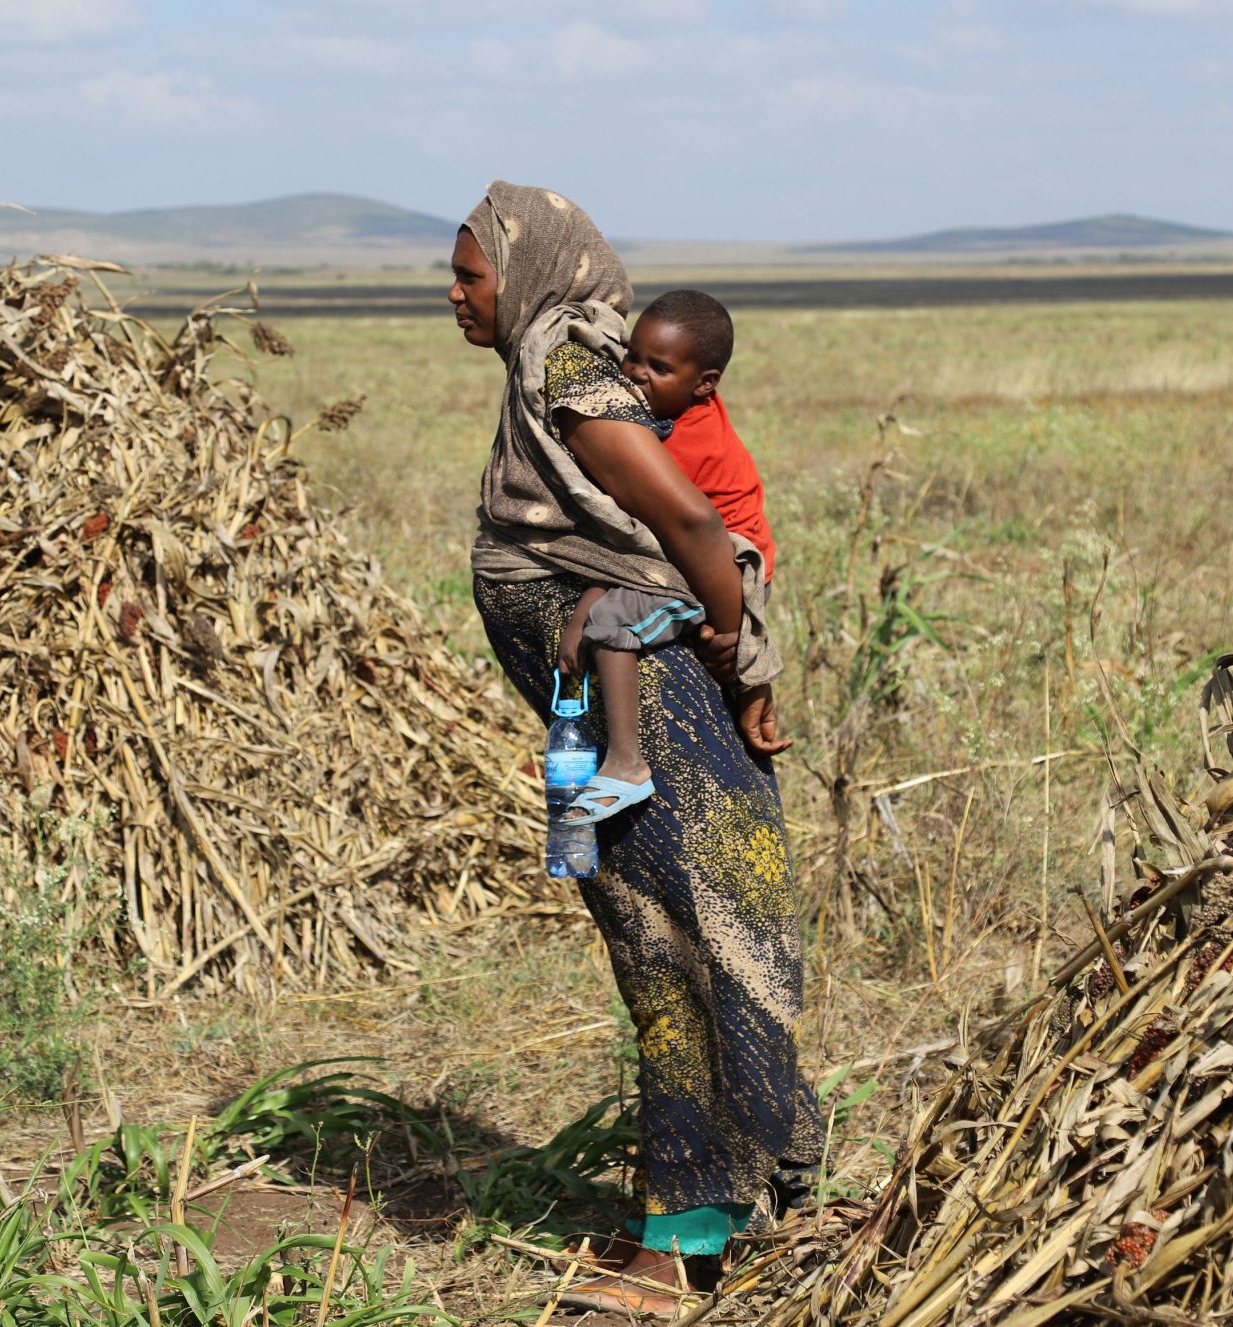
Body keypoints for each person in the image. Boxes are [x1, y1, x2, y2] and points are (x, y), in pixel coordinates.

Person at [448, 182, 822, 1316]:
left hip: (644, 701)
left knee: (682, 947)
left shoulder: (567, 361)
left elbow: (695, 525)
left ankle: (686, 1233)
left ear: (529, 268)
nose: (455, 297)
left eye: (469, 275)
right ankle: (712, 1199)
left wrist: (738, 652)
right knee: (637, 930)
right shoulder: (551, 367)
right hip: (594, 706)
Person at [555, 289, 787, 824]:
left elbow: (658, 530)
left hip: (721, 570)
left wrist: (592, 597)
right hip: (685, 554)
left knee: (612, 624)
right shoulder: (668, 406)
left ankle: (627, 765)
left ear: (704, 384)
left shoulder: (687, 441)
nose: (634, 373)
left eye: (657, 367)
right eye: (632, 355)